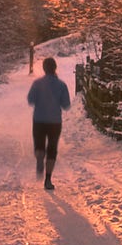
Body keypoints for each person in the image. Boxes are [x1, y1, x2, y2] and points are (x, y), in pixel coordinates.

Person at [26, 56, 71, 191]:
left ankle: (40, 159)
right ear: (55, 68)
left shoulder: (37, 83)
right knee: (52, 149)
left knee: (39, 145)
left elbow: (30, 100)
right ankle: (48, 179)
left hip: (39, 120)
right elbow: (66, 105)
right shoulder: (62, 85)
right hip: (55, 122)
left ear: (44, 69)